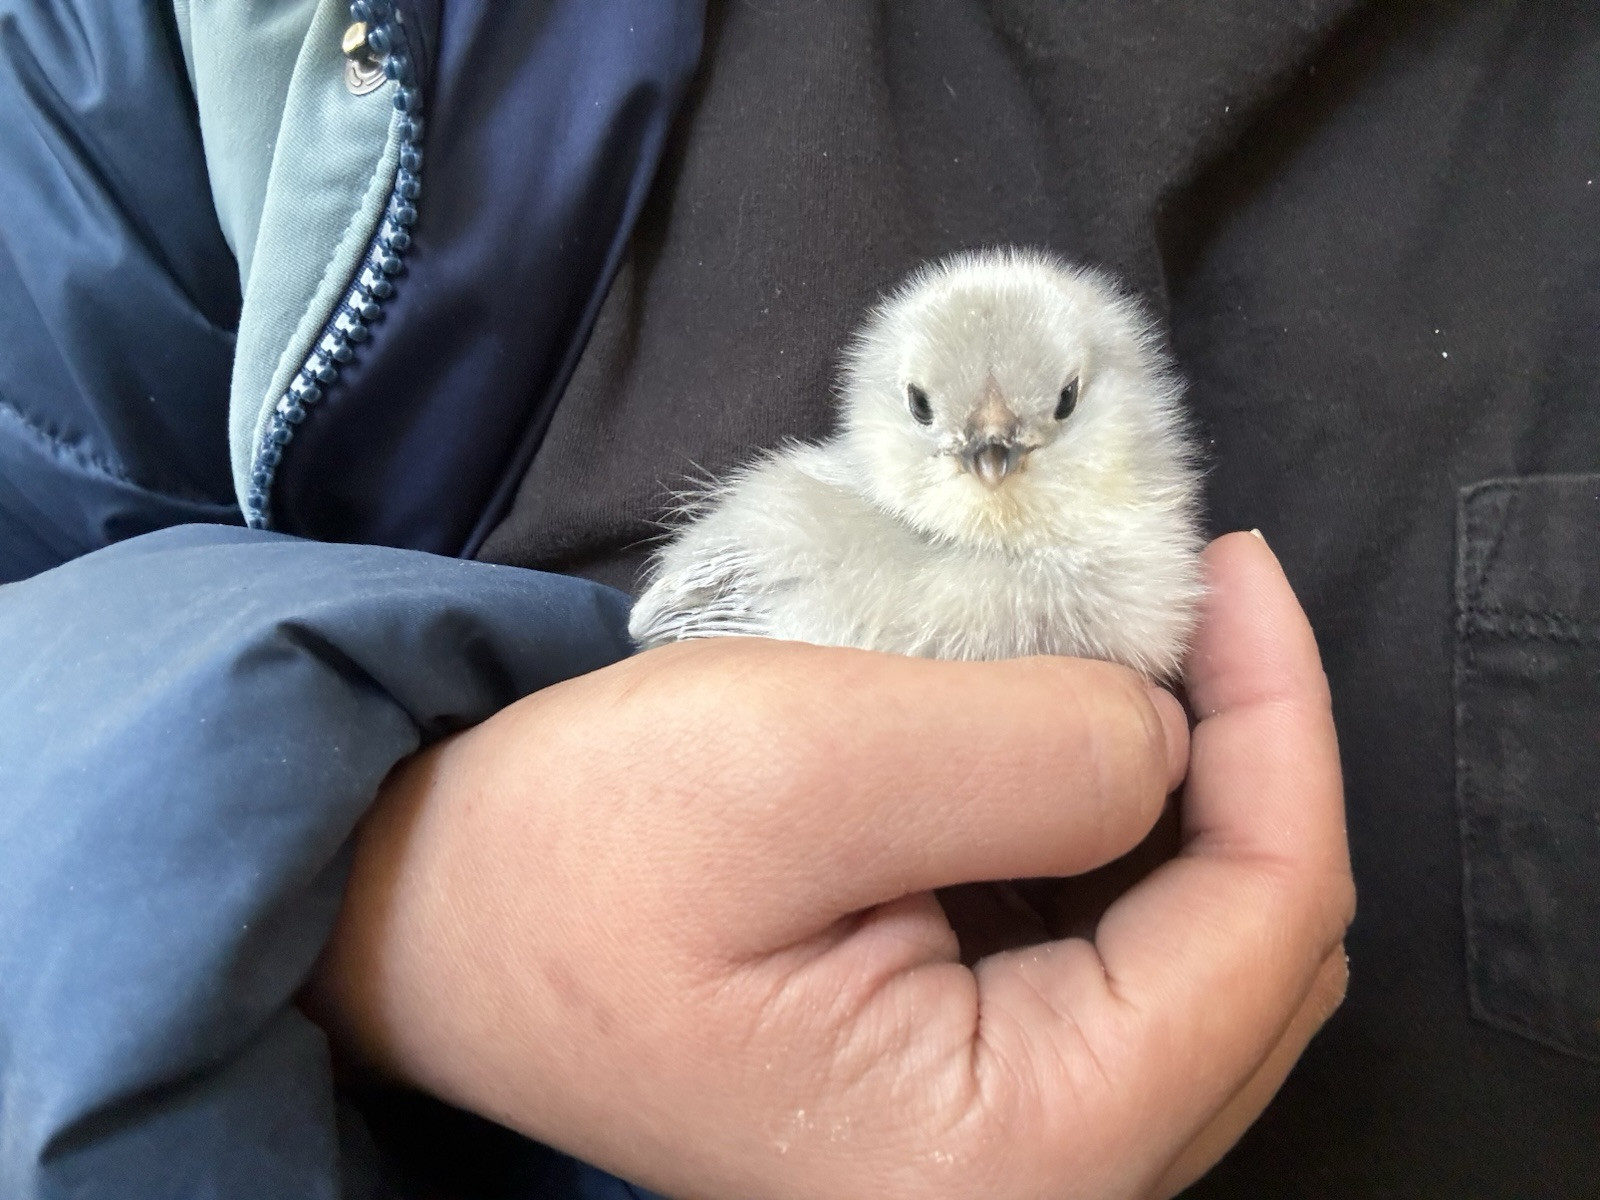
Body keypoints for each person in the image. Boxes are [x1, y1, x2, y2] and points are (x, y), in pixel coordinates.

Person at [0, 4, 1593, 1199]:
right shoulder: (170, 54)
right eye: (948, 428)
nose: (988, 461)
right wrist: (395, 922)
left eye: (1032, 424)